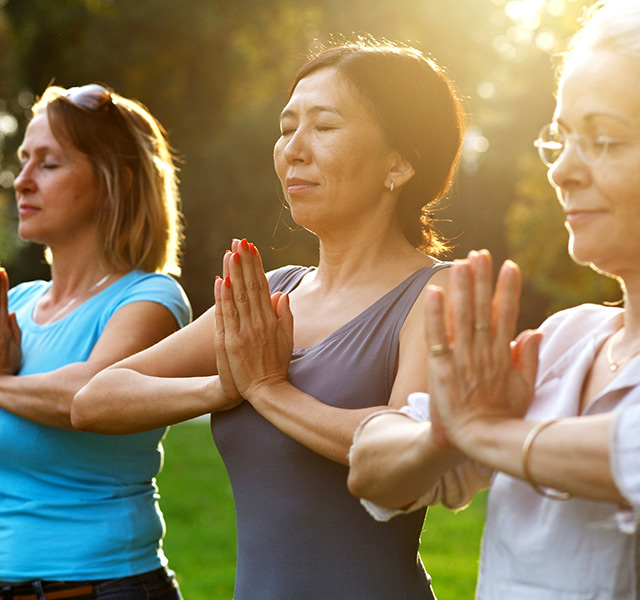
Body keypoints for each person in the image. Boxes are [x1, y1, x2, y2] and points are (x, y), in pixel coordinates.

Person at [72, 39, 466, 599]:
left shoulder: (435, 294)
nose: (293, 150)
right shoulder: (271, 294)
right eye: (286, 127)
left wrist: (268, 389)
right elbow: (94, 399)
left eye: (324, 127)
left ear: (399, 163)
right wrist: (221, 388)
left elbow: (408, 449)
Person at [348, 1, 640, 597]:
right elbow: (371, 467)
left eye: (603, 139)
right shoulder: (562, 342)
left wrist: (483, 433)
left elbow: (625, 454)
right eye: (561, 138)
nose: (563, 171)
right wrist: (444, 435)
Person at [1, 83, 191, 598]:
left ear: (114, 182)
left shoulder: (150, 299)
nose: (21, 182)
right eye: (23, 161)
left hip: (107, 588)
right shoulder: (15, 305)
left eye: (49, 164)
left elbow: (86, 395)